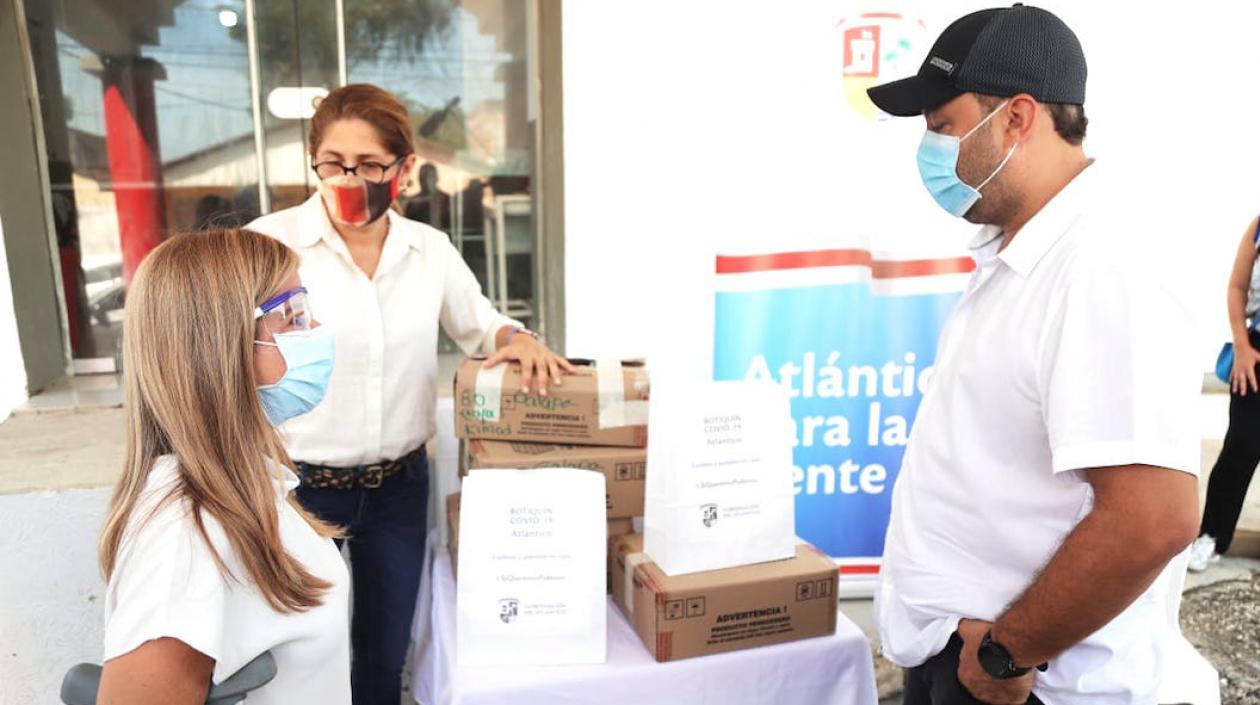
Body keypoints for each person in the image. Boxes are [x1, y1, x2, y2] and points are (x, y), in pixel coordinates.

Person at [865, 5, 1200, 705]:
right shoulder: (1021, 252)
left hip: (1030, 682)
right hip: (962, 654)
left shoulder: (1103, 265)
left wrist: (1007, 652)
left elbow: (1153, 515)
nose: (930, 151)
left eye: (941, 126)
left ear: (1017, 117)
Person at [246, 83, 572, 705]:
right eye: (334, 163)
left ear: (405, 169)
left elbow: (481, 322)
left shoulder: (430, 251)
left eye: (370, 165)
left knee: (382, 657)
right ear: (313, 161)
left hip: (397, 489)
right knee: (299, 661)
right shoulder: (270, 244)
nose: (349, 179)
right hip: (295, 489)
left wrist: (519, 336)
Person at [96, 229, 348, 705]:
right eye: (291, 315)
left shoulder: (245, 486)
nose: (313, 330)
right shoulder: (184, 537)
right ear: (219, 342)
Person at [1189, 216, 1260, 571]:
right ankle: (1212, 536)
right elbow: (1237, 287)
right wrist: (1242, 345)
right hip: (1255, 354)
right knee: (1240, 449)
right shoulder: (1259, 224)